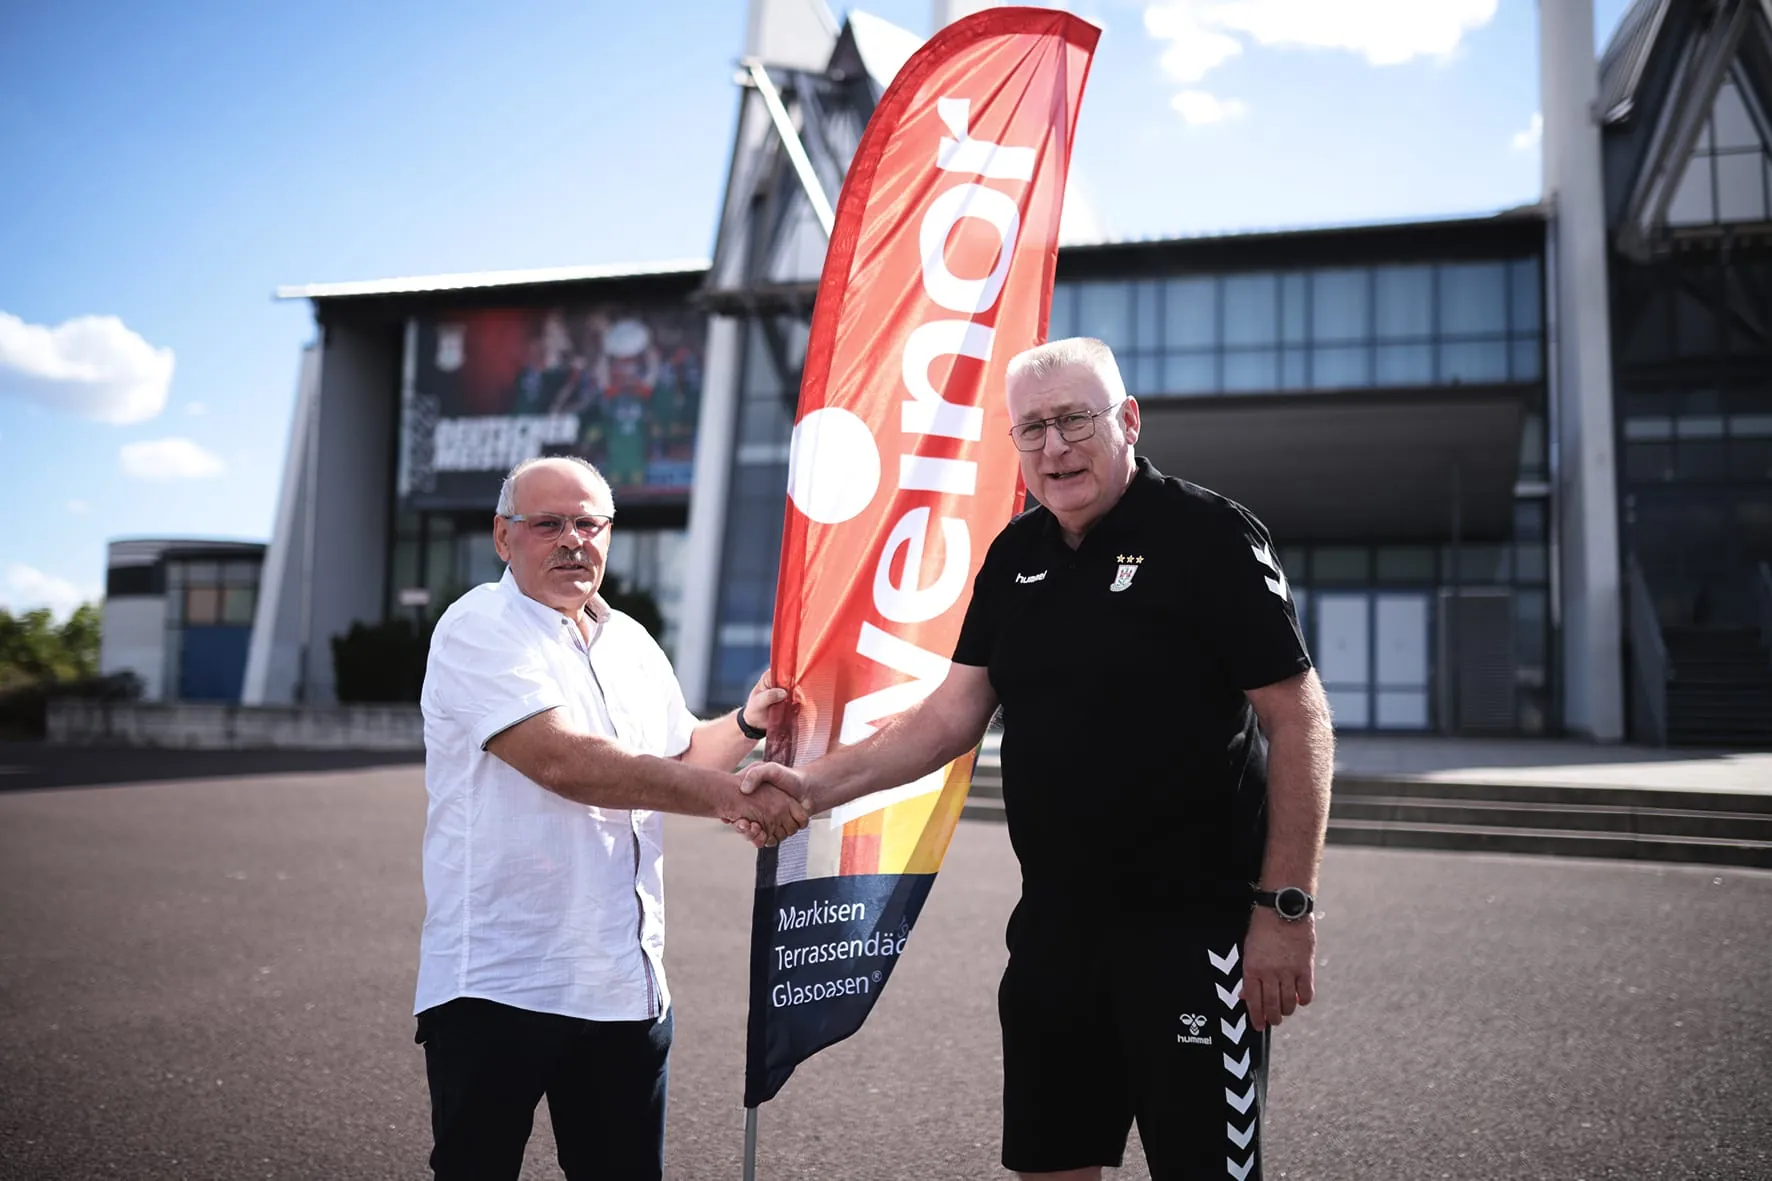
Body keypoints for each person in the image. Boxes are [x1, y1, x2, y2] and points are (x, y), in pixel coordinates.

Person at [742, 338, 1333, 1181]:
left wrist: (1286, 907)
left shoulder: (1210, 536)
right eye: (1032, 430)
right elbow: (947, 718)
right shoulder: (1014, 555)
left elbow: (1299, 719)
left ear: (1127, 421)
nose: (1054, 448)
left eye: (1073, 420)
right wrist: (807, 784)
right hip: (1055, 936)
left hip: (1192, 934)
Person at [413, 455, 808, 1181]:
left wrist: (750, 721)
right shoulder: (478, 626)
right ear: (504, 537)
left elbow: (686, 750)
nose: (573, 540)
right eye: (549, 523)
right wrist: (730, 798)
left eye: (589, 523)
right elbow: (565, 761)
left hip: (625, 988)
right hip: (501, 984)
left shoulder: (628, 640)